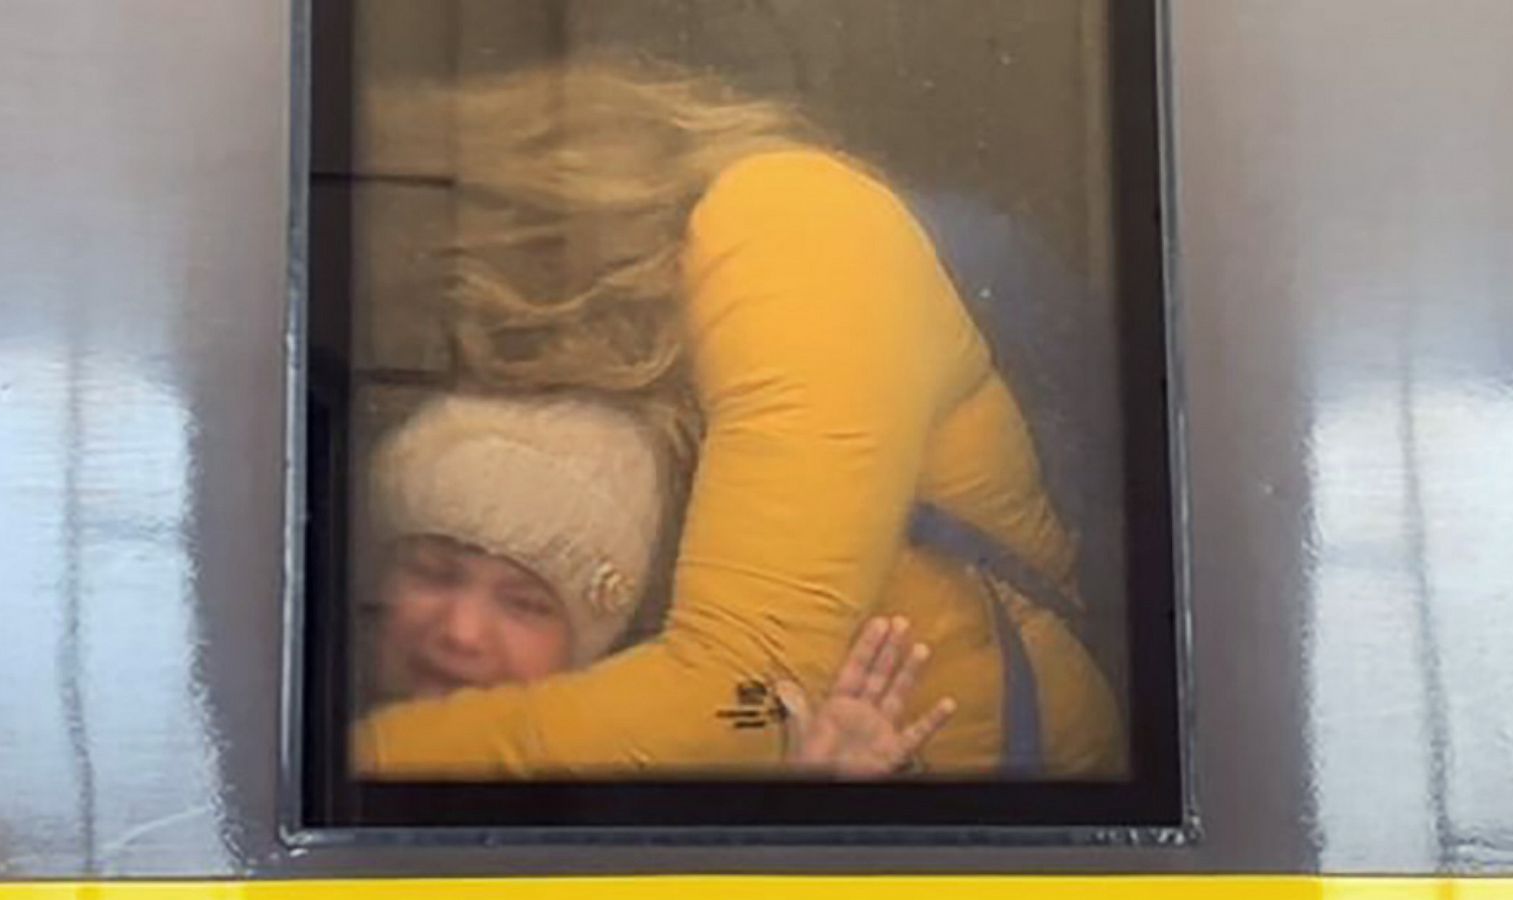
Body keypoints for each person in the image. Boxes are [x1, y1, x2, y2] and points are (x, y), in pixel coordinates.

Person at [352, 57, 1123, 778]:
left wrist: (348, 758)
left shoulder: (796, 228)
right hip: (775, 792)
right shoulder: (644, 324)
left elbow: (740, 692)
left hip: (999, 803)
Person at [364, 391, 955, 776]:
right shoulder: (298, 759)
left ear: (596, 641)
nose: (461, 632)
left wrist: (818, 805)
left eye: (524, 604)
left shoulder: (638, 776)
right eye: (434, 575)